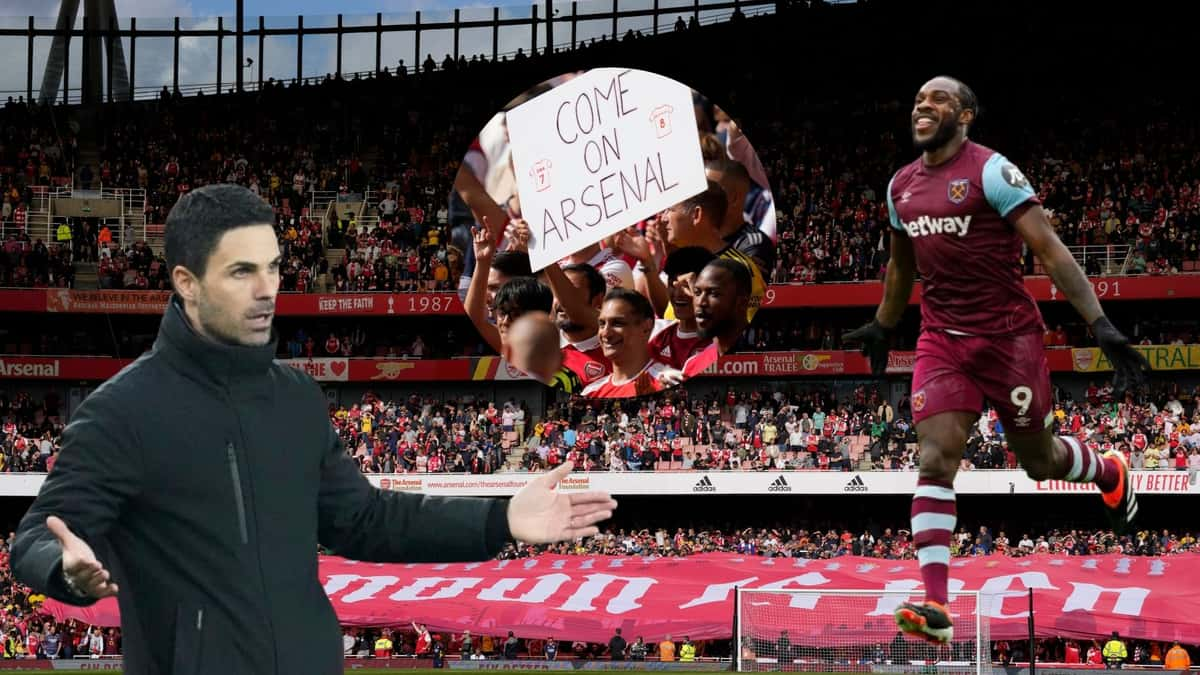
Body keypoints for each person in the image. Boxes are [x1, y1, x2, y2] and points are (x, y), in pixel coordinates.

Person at [9, 184, 618, 675]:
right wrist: (64, 571)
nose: (267, 290)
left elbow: (367, 520)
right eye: (241, 272)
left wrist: (501, 519)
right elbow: (38, 534)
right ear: (186, 283)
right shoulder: (124, 410)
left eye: (273, 267)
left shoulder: (297, 398)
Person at [842, 77, 1149, 644]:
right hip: (942, 341)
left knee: (1041, 463)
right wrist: (886, 323)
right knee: (935, 459)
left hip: (1009, 341)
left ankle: (1109, 470)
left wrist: (1099, 323)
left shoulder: (992, 172)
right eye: (916, 101)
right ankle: (936, 606)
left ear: (965, 115)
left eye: (936, 100)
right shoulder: (900, 186)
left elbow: (1049, 249)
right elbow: (900, 268)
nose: (922, 107)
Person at [581, 288, 672, 398]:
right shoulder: (590, 393)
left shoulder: (668, 383)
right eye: (602, 324)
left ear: (646, 327)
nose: (606, 333)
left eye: (618, 323)